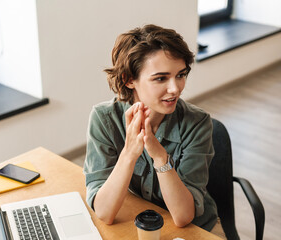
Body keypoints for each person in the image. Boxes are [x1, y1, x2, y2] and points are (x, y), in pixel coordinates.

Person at [83, 24, 225, 238]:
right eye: (161, 78)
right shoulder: (104, 119)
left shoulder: (197, 122)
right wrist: (130, 152)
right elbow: (104, 212)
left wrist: (159, 156)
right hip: (144, 220)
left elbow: (183, 216)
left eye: (181, 75)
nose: (175, 88)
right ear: (129, 79)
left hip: (196, 228)